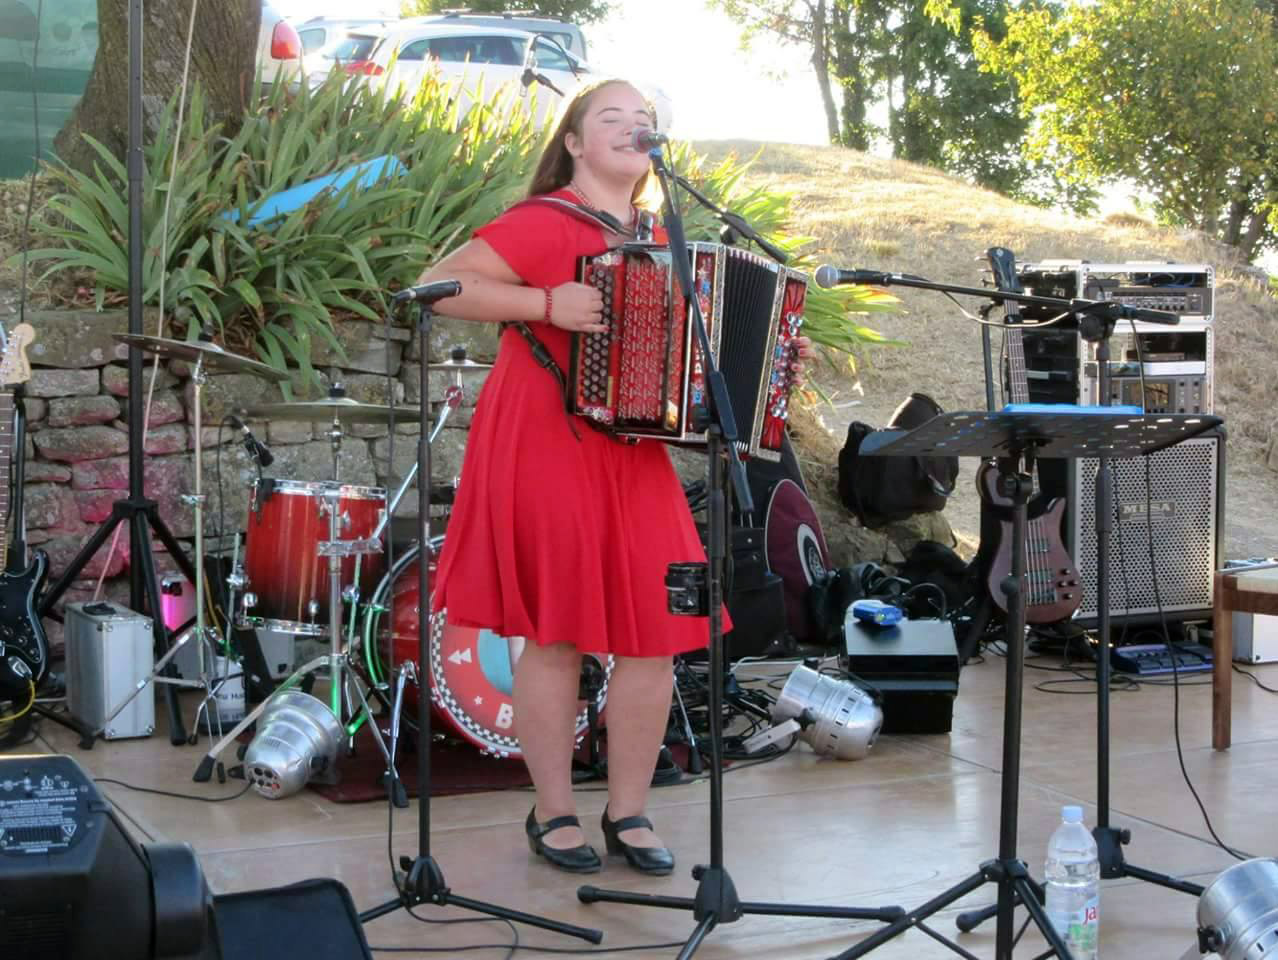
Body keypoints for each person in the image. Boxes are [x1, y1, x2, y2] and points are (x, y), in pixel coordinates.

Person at [414, 78, 813, 876]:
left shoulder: (667, 234)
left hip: (633, 453)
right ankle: (554, 810)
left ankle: (628, 810)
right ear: (573, 140)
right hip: (545, 439)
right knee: (556, 634)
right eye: (613, 118)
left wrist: (769, 361)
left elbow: (688, 353)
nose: (635, 130)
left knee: (659, 632)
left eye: (646, 122)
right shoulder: (541, 220)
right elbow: (437, 286)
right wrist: (541, 303)